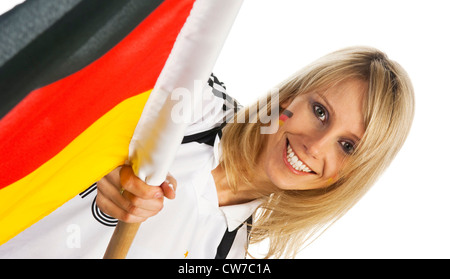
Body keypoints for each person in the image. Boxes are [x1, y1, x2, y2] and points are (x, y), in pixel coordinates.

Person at [0, 46, 414, 259]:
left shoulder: (226, 256)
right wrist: (92, 162)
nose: (315, 145)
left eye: (347, 146)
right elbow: (62, 93)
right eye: (319, 111)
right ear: (292, 96)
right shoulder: (190, 99)